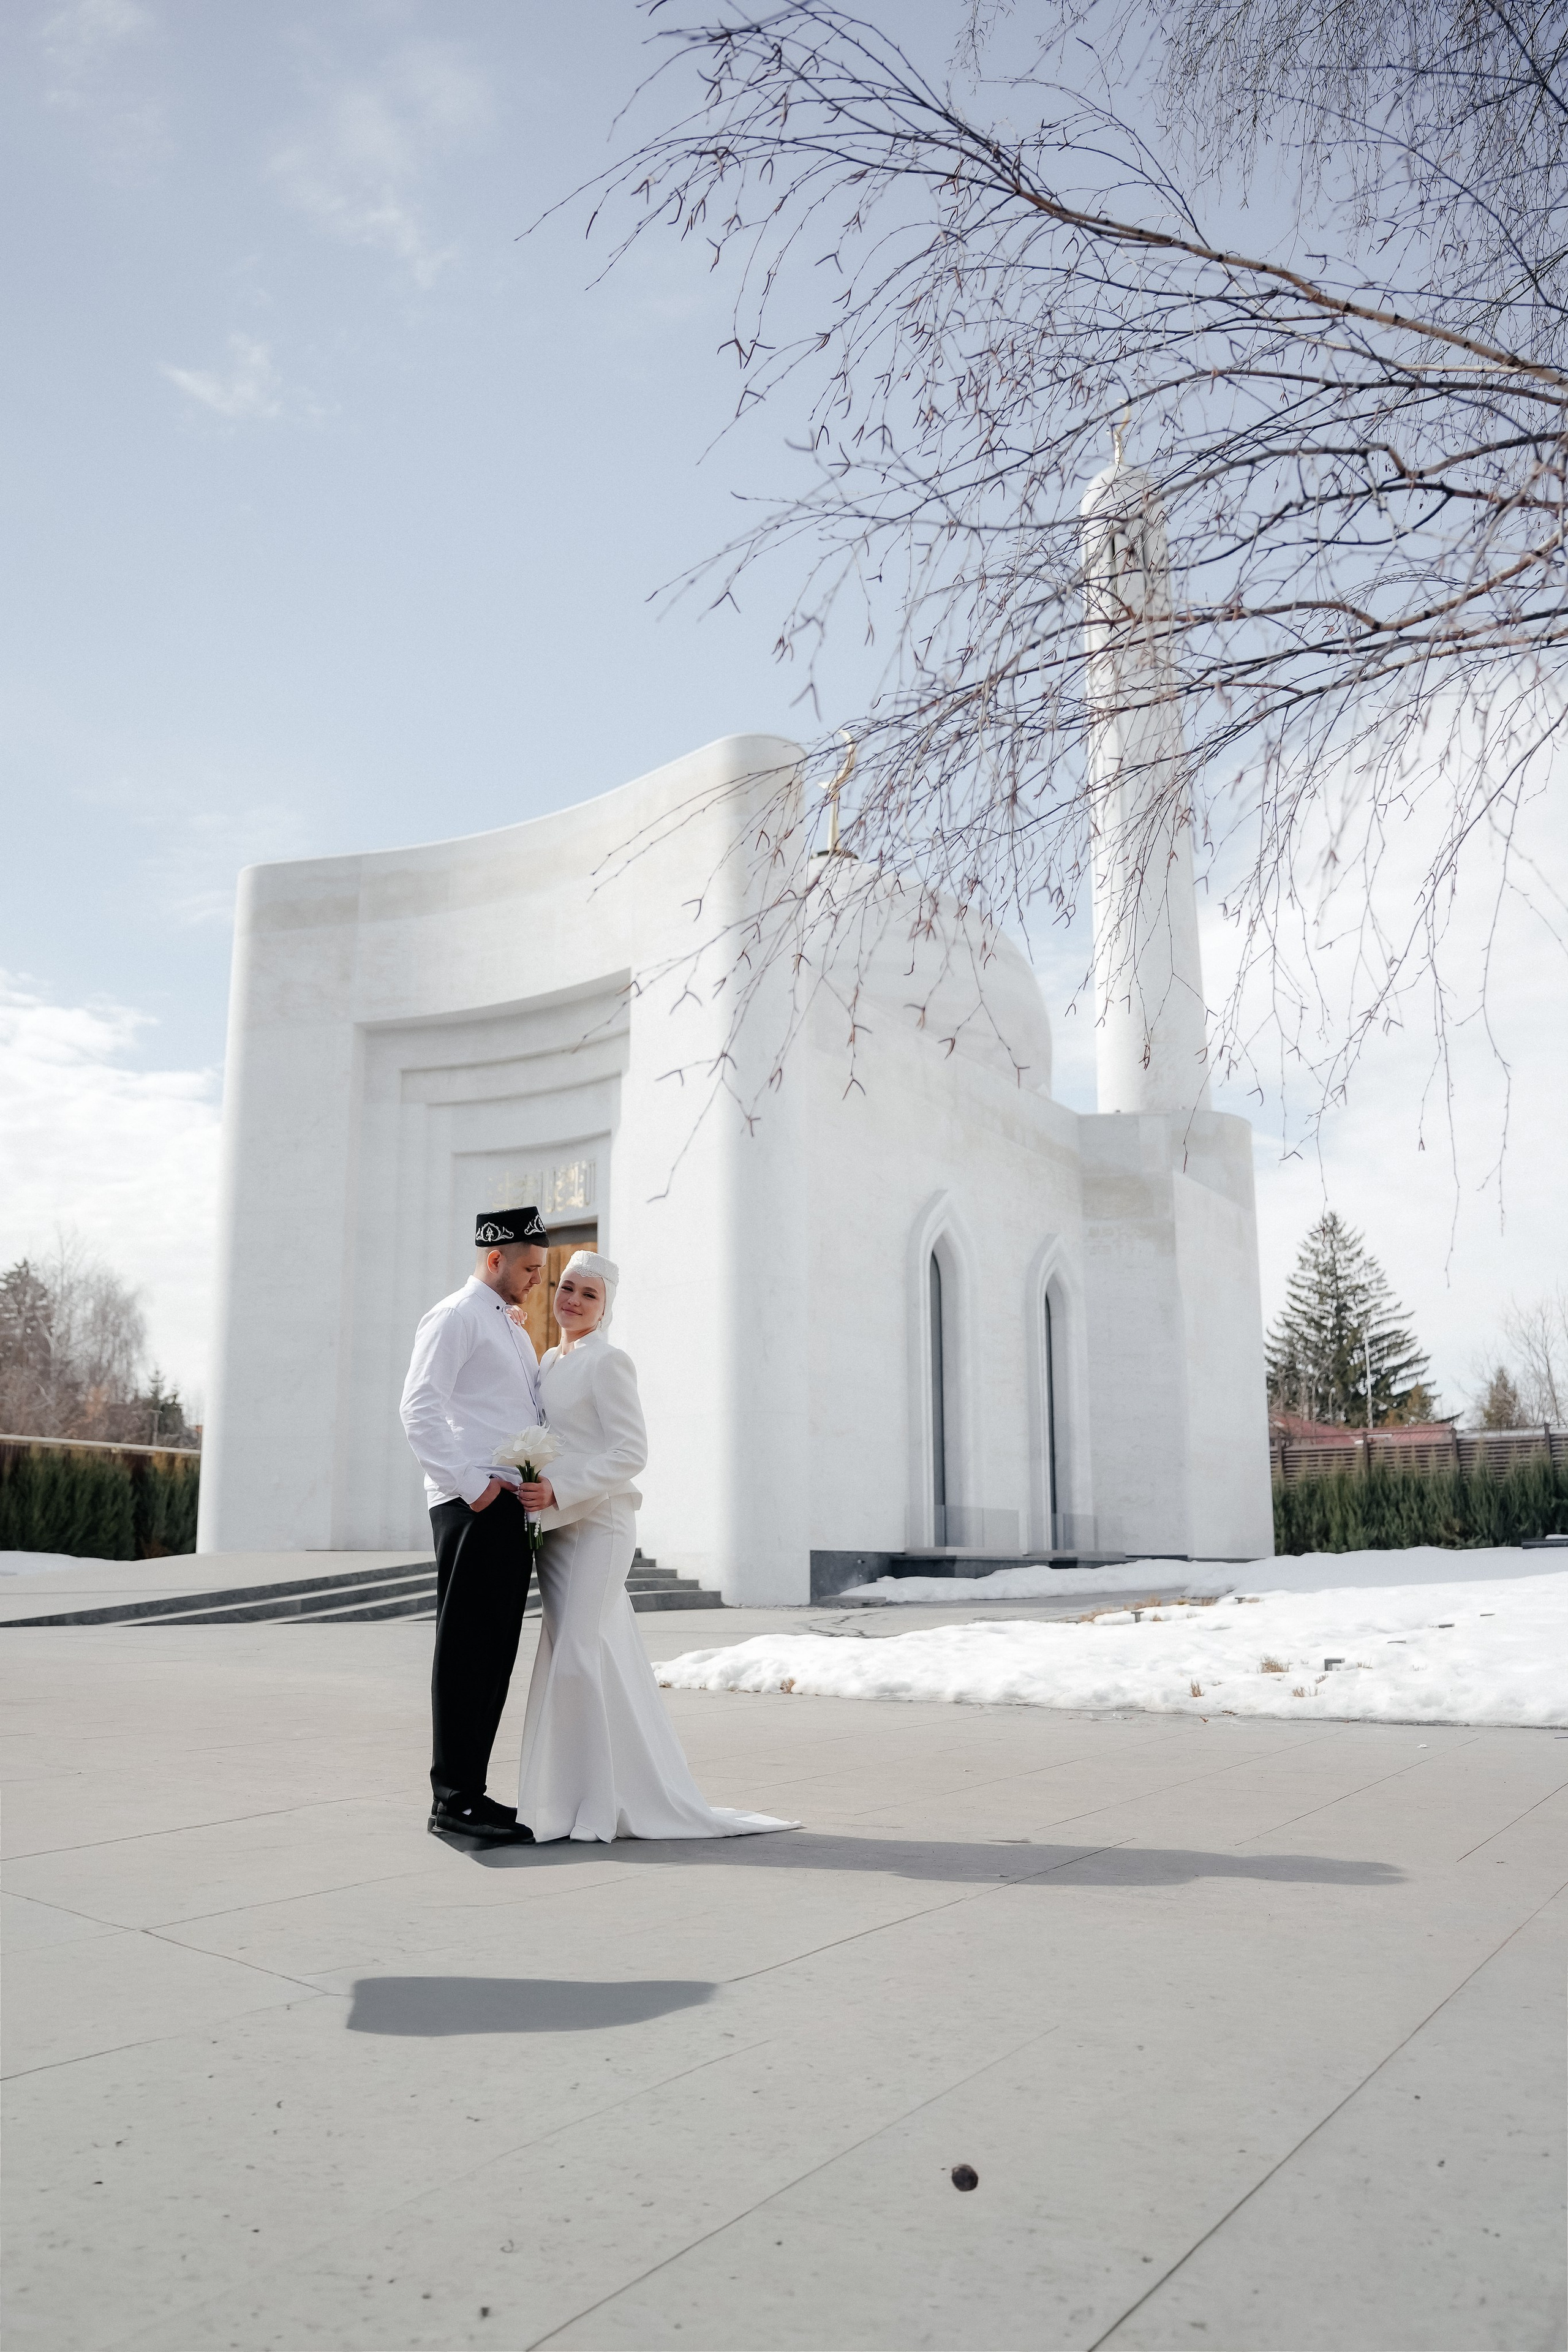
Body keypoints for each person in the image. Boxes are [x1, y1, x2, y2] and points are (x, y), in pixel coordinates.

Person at [513, 1250, 794, 1841]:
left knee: (578, 1656)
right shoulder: (547, 1361)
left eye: (589, 1295)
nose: (573, 1300)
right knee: (588, 1656)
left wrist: (557, 1488)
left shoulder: (610, 1362)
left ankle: (596, 1805)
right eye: (567, 1288)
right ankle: (584, 1796)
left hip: (602, 1526)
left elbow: (629, 1452)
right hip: (559, 1533)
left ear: (605, 1307)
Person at [399, 1207, 548, 1842]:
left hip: (506, 1506)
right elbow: (418, 1406)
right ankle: (453, 1800)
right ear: (495, 1260)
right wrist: (476, 1488)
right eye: (530, 1267)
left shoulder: (511, 1329)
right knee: (468, 1653)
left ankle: (471, 1794)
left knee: (493, 1656)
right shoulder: (457, 1316)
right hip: (474, 1507)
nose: (539, 1280)